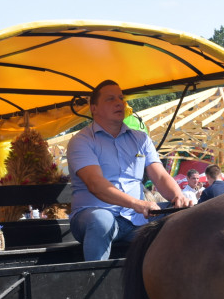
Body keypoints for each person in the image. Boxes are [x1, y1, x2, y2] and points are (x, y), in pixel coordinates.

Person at [67, 79, 190, 263]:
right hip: (92, 216)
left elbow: (161, 176)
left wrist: (178, 196)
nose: (119, 103)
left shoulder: (141, 139)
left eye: (121, 98)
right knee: (102, 220)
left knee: (185, 214)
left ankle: (175, 283)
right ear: (94, 108)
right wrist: (137, 204)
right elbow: (95, 185)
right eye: (110, 99)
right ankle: (93, 282)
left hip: (136, 218)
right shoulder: (82, 141)